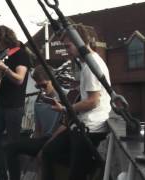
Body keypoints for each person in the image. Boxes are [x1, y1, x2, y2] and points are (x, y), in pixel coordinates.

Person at [39, 23, 111, 180]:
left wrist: (66, 109)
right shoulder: (88, 64)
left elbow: (93, 101)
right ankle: (92, 166)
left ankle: (92, 166)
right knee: (49, 152)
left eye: (68, 45)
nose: (66, 49)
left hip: (91, 129)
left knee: (74, 174)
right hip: (82, 125)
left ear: (80, 42)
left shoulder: (92, 65)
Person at [0, 25, 31, 180]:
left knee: (12, 147)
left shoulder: (20, 54)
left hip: (14, 107)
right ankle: (2, 176)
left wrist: (6, 69)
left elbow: (20, 79)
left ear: (7, 38)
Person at [4, 65, 63, 180]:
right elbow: (38, 130)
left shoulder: (65, 98)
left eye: (44, 85)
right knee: (10, 147)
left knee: (45, 155)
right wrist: (33, 148)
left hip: (59, 139)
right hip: (44, 139)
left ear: (53, 80)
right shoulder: (39, 102)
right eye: (38, 86)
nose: (42, 89)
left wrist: (43, 149)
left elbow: (65, 127)